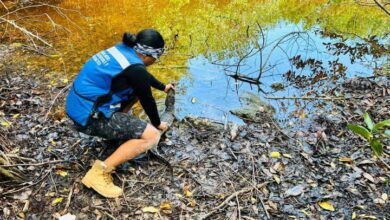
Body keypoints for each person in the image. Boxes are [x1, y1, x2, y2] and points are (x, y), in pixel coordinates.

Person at [65, 29, 175, 198]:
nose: (156, 61)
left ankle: (116, 132)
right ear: (148, 55)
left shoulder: (123, 50)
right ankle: (98, 174)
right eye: (156, 58)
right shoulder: (136, 68)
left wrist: (162, 87)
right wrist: (158, 124)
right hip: (88, 117)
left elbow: (142, 76)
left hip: (78, 106)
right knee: (152, 136)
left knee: (135, 90)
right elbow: (148, 100)